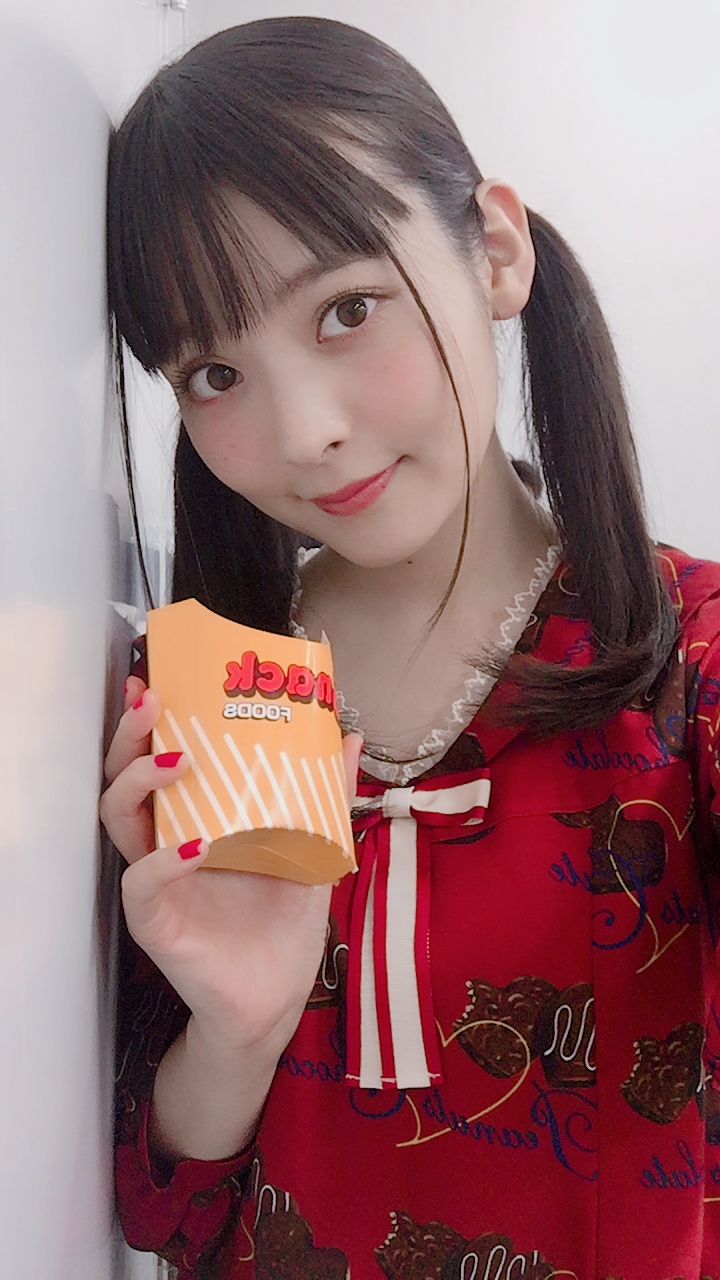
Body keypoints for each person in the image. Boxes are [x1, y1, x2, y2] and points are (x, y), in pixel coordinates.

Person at [102, 16, 720, 1279]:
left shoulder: (690, 656)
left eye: (347, 308)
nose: (304, 431)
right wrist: (239, 1028)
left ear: (494, 251)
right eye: (214, 373)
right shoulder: (195, 703)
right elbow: (169, 1219)